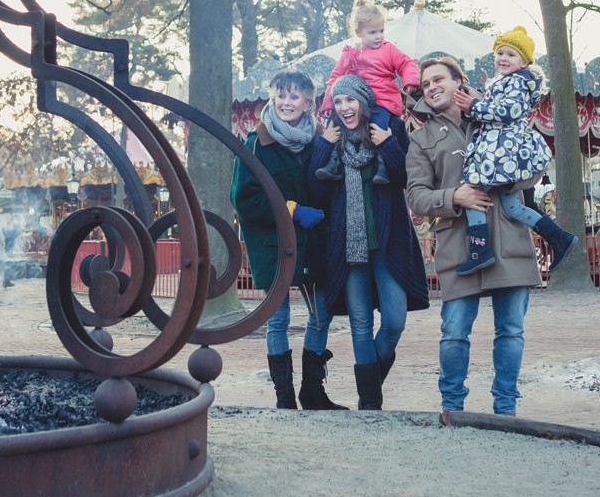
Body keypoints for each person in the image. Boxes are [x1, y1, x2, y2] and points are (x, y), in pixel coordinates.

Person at [405, 56, 542, 418]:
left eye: (439, 80)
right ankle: (453, 408)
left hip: (507, 239)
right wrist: (454, 197)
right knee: (453, 333)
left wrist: (510, 178)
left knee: (510, 331)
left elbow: (534, 166)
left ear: (458, 82)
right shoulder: (420, 139)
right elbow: (416, 195)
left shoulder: (499, 114)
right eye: (426, 84)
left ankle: (506, 408)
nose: (432, 87)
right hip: (457, 246)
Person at [308, 74, 429, 410]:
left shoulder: (388, 129)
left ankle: (370, 383)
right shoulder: (331, 140)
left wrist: (388, 143)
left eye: (350, 100)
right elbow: (316, 193)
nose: (344, 107)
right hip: (347, 248)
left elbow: (407, 178)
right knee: (360, 324)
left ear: (364, 101)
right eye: (339, 101)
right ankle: (370, 402)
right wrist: (323, 145)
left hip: (389, 244)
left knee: (394, 321)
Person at [230, 70, 347, 411]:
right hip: (275, 246)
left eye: (295, 96)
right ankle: (285, 398)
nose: (286, 102)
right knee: (278, 320)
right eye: (281, 95)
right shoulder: (256, 143)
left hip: (313, 244)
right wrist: (291, 211)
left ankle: (312, 392)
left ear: (309, 101)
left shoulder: (317, 141)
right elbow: (245, 198)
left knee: (320, 315)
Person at [454, 26, 577, 275]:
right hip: (501, 150)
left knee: (472, 193)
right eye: (500, 53)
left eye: (511, 54)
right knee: (512, 207)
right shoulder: (504, 82)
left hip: (501, 151)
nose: (503, 58)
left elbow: (509, 112)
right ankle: (560, 238)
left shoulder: (518, 83)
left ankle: (479, 251)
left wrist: (474, 106)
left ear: (524, 62)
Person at [315, 0, 421, 185]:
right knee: (334, 123)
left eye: (381, 31)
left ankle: (383, 167)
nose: (379, 36)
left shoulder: (388, 50)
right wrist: (330, 102)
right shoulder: (351, 54)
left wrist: (409, 80)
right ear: (359, 33)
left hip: (382, 100)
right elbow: (336, 76)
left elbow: (406, 63)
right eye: (373, 32)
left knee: (378, 126)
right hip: (360, 102)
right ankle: (333, 162)